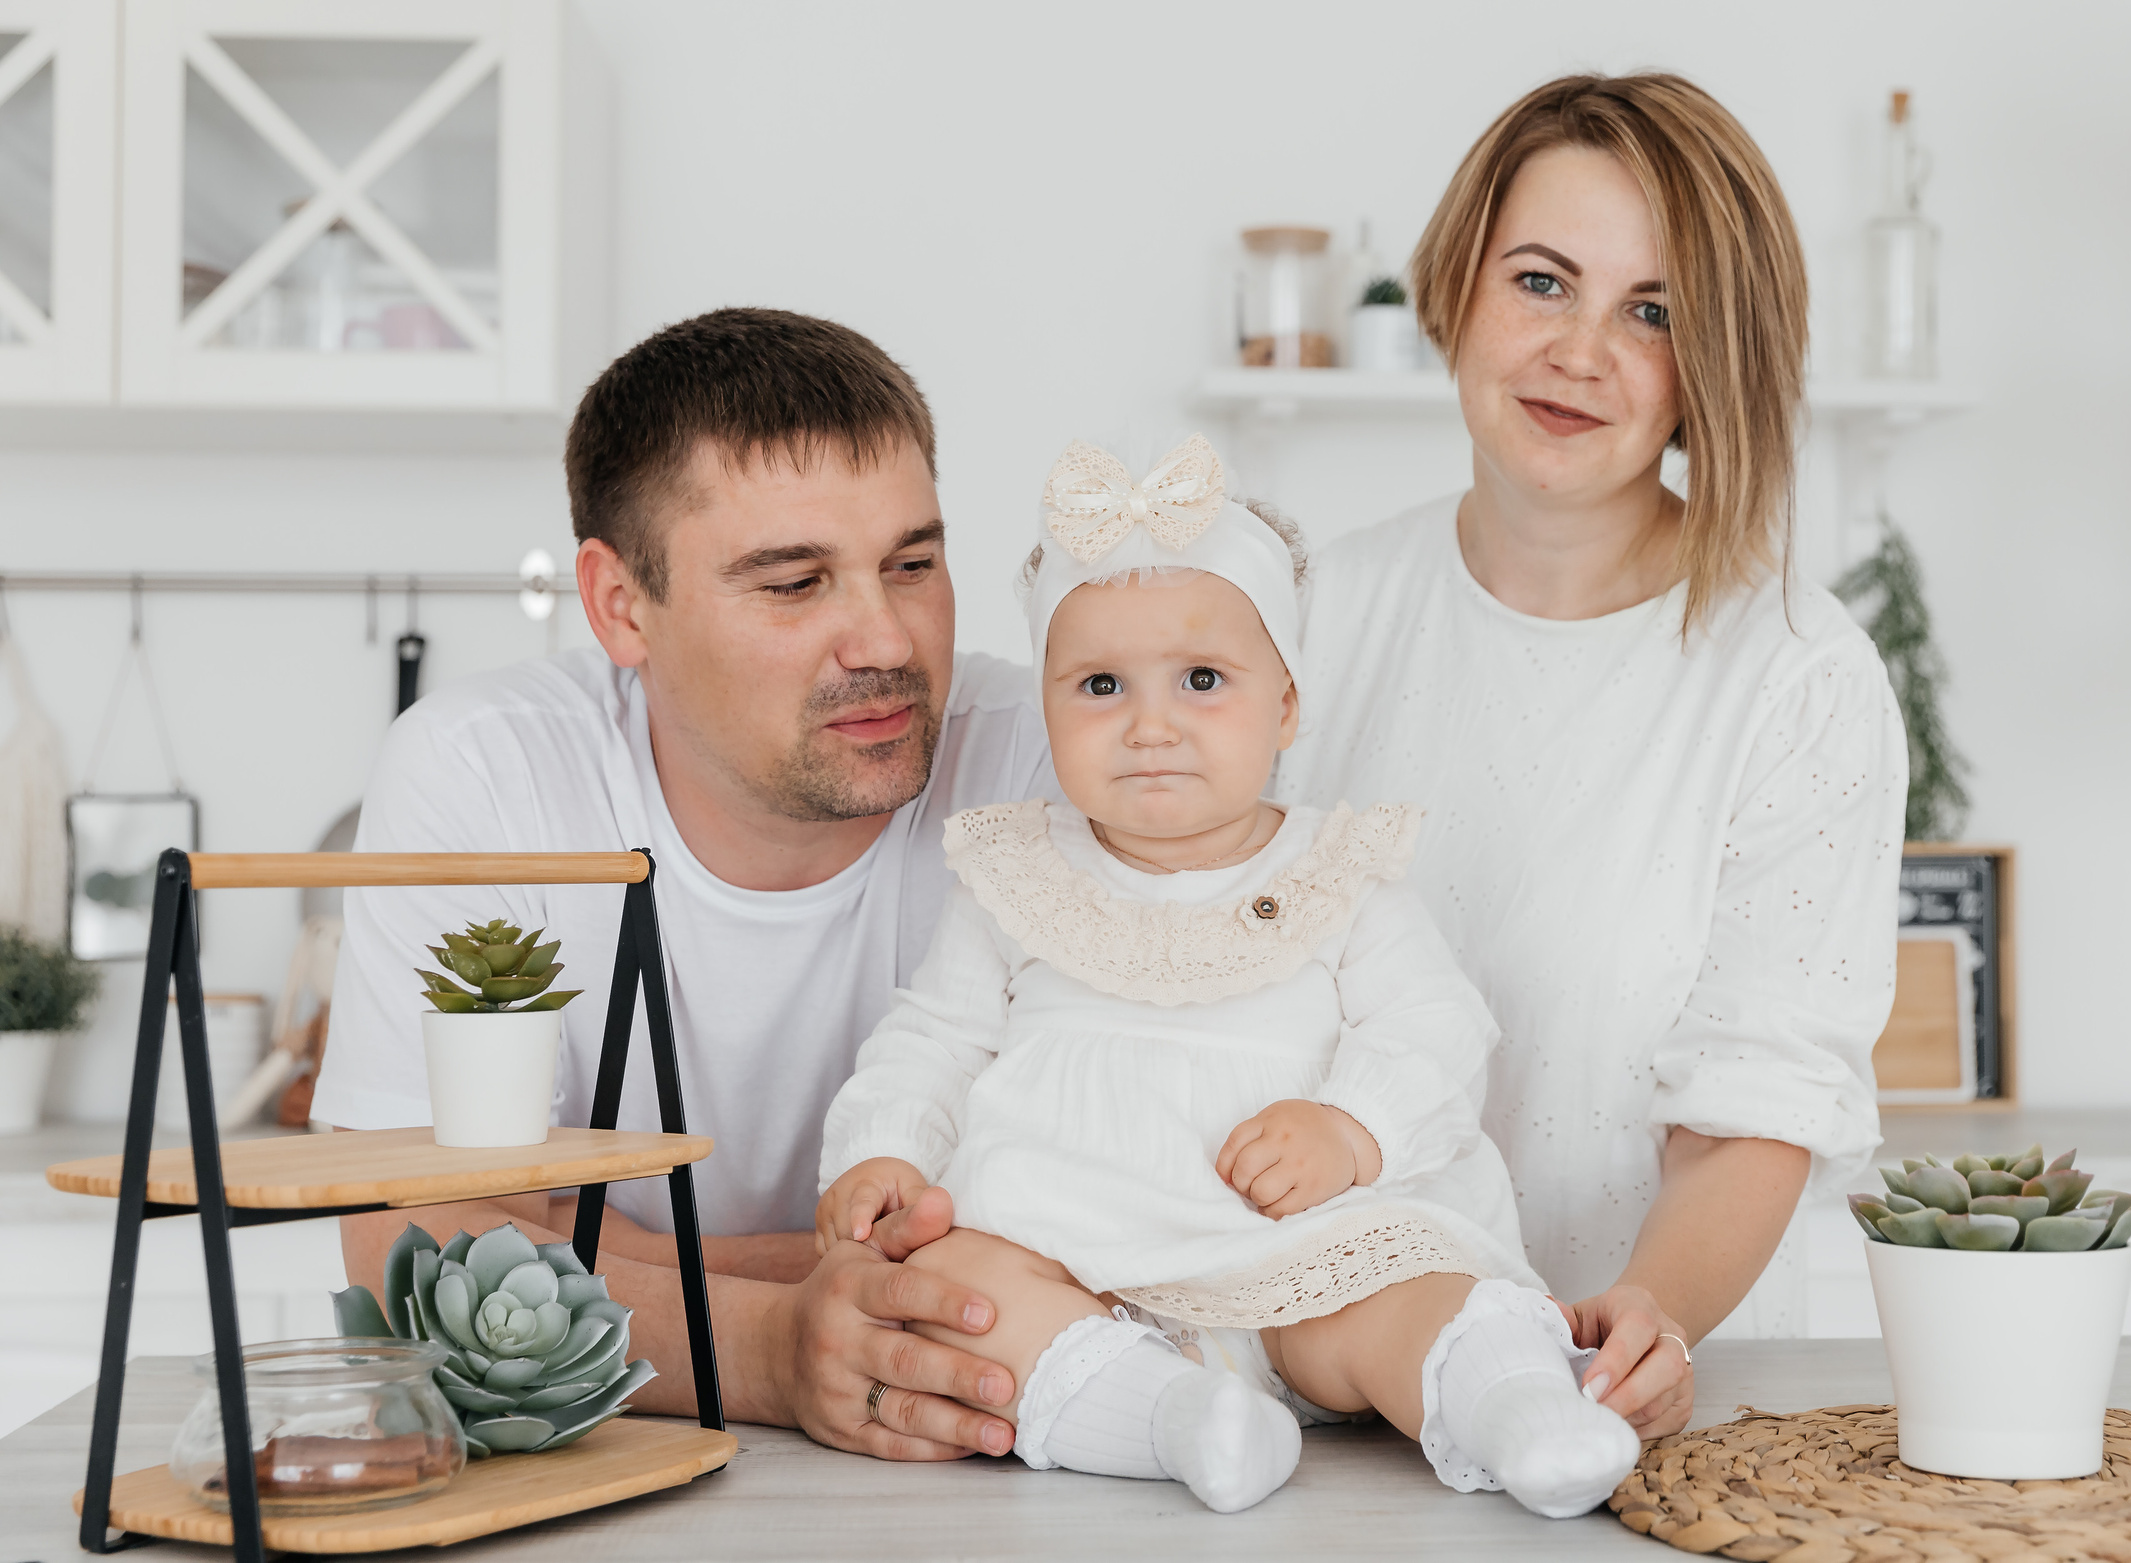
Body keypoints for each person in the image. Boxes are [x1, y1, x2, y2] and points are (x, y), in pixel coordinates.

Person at [815, 436, 1641, 1519]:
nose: (1150, 724)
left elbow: (1437, 1029)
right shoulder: (1016, 881)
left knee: (1414, 1295)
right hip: (1080, 1254)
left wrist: (1350, 1130)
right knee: (963, 1296)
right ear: (1048, 706)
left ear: (1286, 707)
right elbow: (935, 1036)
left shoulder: (1338, 875)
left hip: (1305, 1250)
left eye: (1202, 680)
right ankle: (1180, 1420)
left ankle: (1520, 1412)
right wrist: (883, 1148)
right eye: (1100, 685)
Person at [1277, 73, 1910, 1440]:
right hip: (1316, 1406)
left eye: (1654, 311)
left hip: (1627, 1409)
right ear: (1457, 286)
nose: (1581, 351)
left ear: (1714, 364)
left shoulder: (1797, 672)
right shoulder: (1307, 618)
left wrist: (1644, 1314)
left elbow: (1754, 1099)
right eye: (1543, 281)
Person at [313, 307, 1052, 1462]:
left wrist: (562, 1243)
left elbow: (1134, 1212)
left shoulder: (1054, 764)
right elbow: (406, 1252)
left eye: (913, 564)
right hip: (603, 1481)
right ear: (620, 606)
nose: (886, 640)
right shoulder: (482, 773)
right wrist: (762, 1342)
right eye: (794, 583)